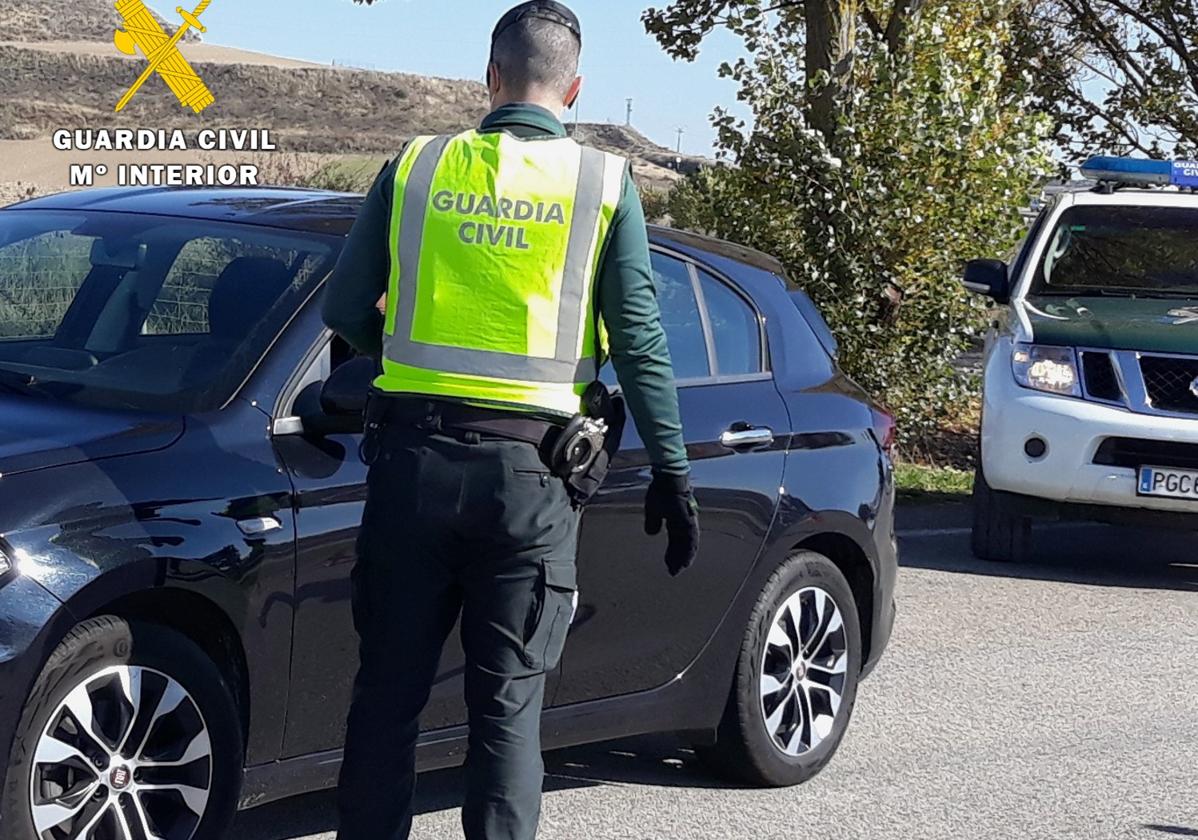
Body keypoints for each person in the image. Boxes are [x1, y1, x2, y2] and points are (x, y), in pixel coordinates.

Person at [322, 2, 699, 838]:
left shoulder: (417, 165)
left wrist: (398, 361)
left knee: (385, 699)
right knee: (505, 716)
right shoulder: (605, 184)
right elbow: (638, 340)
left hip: (410, 467)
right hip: (530, 484)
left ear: (489, 78)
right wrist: (673, 470)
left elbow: (345, 306)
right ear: (575, 86)